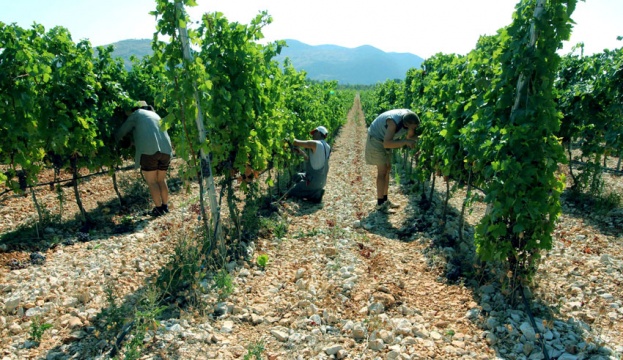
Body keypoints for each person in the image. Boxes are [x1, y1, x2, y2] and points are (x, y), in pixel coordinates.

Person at [115, 101, 173, 217]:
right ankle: (165, 207)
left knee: (152, 182)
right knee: (161, 180)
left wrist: (114, 140)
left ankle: (158, 209)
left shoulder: (137, 114)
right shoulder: (155, 115)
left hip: (149, 152)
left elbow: (122, 131)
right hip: (166, 151)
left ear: (135, 108)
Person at [365, 109, 420, 211]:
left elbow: (410, 136)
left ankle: (385, 200)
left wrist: (417, 141)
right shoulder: (393, 123)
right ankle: (380, 204)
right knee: (382, 171)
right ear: (407, 124)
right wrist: (405, 141)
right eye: (413, 127)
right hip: (376, 139)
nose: (415, 128)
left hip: (386, 138)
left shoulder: (410, 117)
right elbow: (387, 143)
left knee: (387, 169)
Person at [288, 126, 331, 203]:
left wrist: (286, 138)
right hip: (321, 181)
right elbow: (316, 161)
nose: (312, 135)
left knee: (291, 192)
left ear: (319, 133)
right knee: (297, 176)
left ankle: (314, 194)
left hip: (314, 182)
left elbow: (296, 142)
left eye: (314, 133)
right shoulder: (327, 146)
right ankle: (314, 191)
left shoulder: (315, 143)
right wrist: (302, 153)